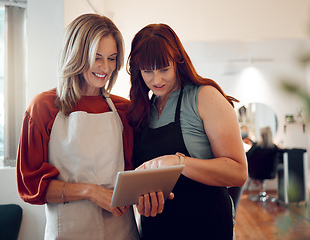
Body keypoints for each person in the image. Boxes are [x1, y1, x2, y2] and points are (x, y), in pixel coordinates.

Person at [16, 14, 139, 240]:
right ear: (77, 55)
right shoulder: (43, 108)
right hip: (68, 232)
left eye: (112, 58)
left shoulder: (124, 110)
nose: (106, 67)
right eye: (97, 57)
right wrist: (91, 191)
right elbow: (31, 186)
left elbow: (136, 175)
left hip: (122, 230)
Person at [127, 23, 248, 240]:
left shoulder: (204, 97)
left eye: (164, 69)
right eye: (148, 71)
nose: (157, 80)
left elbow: (238, 172)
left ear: (178, 61)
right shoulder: (142, 109)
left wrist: (178, 162)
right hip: (157, 229)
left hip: (205, 227)